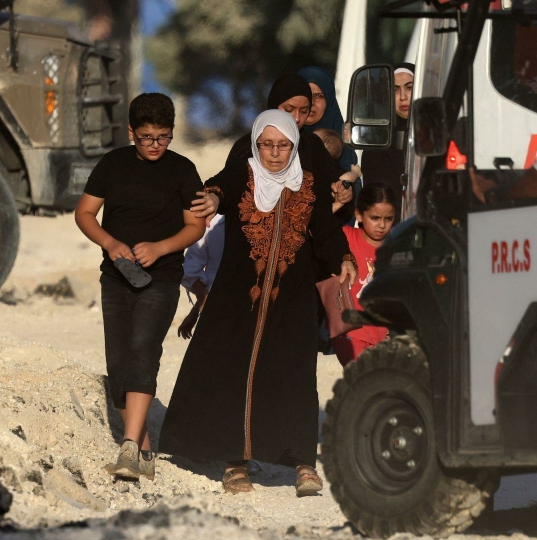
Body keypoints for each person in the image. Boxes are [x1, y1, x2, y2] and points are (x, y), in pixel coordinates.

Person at [158, 110, 357, 496]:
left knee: (294, 374)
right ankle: (235, 465)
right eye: (267, 145)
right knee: (236, 372)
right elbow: (220, 187)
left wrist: (344, 258)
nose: (275, 153)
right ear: (255, 145)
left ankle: (303, 464)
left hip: (292, 298)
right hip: (239, 297)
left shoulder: (308, 182)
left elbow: (326, 231)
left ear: (294, 145)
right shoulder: (244, 173)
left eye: (283, 145)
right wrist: (214, 198)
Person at [74, 93, 206, 481]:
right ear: (131, 132)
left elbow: (195, 226)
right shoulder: (112, 164)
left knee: (143, 352)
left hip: (162, 278)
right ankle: (144, 451)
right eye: (146, 137)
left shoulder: (183, 170)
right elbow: (84, 213)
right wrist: (111, 244)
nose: (154, 146)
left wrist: (160, 248)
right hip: (115, 277)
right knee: (118, 366)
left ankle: (129, 450)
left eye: (163, 137)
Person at [208, 74, 357, 223]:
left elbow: (334, 184)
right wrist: (215, 197)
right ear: (274, 105)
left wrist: (344, 193)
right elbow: (227, 184)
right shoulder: (248, 146)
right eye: (289, 110)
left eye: (304, 111)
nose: (296, 118)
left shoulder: (313, 147)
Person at [331, 185, 395, 366]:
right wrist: (336, 204)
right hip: (350, 332)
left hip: (385, 335)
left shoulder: (396, 248)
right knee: (364, 378)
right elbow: (313, 227)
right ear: (359, 215)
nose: (382, 225)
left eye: (388, 218)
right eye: (375, 218)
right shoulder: (346, 237)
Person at [360, 62, 414, 217]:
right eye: (395, 90)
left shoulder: (436, 132)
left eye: (409, 88)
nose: (403, 97)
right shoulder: (377, 144)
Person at [298, 65, 359, 173]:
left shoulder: (341, 145)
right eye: (306, 93)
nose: (311, 102)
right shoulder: (278, 137)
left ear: (329, 100)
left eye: (319, 96)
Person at [176, 214, 224, 340]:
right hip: (216, 311)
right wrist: (201, 304)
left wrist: (199, 306)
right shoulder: (212, 224)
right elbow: (190, 269)